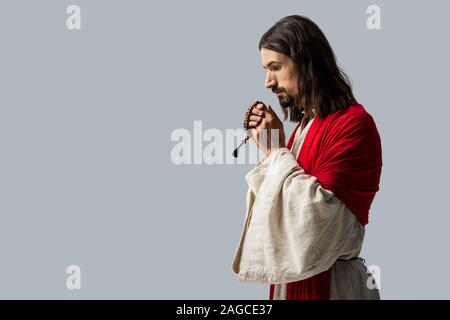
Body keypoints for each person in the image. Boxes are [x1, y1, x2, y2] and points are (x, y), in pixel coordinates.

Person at [231, 15, 383, 300]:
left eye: (275, 67)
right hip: (292, 285)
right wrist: (271, 151)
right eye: (266, 69)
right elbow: (276, 225)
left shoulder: (353, 125)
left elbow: (317, 221)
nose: (267, 82)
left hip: (333, 287)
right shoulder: (301, 130)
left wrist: (276, 152)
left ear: (306, 62)